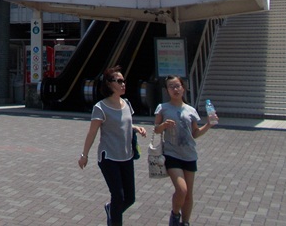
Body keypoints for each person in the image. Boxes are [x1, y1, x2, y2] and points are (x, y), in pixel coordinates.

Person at [78, 66, 147, 226]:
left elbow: (124, 124)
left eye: (124, 81)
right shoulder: (100, 108)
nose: (123, 84)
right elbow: (92, 133)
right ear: (109, 84)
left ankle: (111, 209)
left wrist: (136, 128)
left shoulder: (127, 104)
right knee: (118, 196)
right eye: (119, 81)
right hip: (108, 157)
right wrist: (84, 155)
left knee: (130, 198)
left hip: (126, 156)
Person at [154, 75, 215, 226]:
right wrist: (163, 126)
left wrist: (208, 125)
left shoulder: (191, 110)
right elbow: (156, 130)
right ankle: (175, 217)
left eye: (177, 86)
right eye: (171, 86)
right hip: (171, 154)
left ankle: (185, 222)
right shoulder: (162, 108)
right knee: (182, 190)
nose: (175, 89)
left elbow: (195, 133)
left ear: (183, 88)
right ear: (167, 90)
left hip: (189, 155)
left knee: (188, 194)